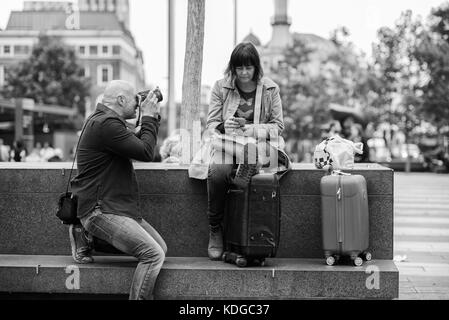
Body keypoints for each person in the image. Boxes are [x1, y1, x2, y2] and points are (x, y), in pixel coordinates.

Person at [69, 80, 167, 300]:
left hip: (115, 207)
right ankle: (89, 230)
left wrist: (146, 116)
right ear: (121, 100)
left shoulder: (106, 121)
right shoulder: (107, 125)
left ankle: (90, 238)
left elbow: (139, 140)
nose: (137, 104)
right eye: (135, 99)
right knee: (153, 255)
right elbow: (145, 152)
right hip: (100, 210)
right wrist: (150, 116)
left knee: (161, 248)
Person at [205, 42, 285, 260]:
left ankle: (252, 233)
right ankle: (215, 228)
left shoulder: (270, 89)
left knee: (259, 165)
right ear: (233, 68)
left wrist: (251, 129)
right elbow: (211, 124)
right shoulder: (221, 87)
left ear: (256, 67)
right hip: (228, 144)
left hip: (258, 144)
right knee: (219, 172)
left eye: (248, 68)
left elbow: (278, 127)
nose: (244, 73)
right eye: (239, 68)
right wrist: (224, 126)